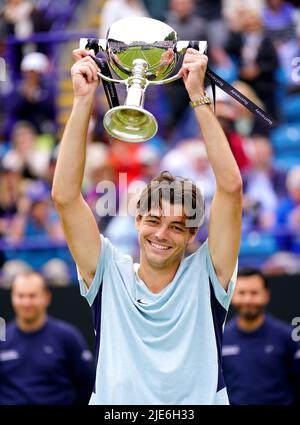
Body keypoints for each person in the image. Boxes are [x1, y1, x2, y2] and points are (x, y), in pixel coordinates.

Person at [51, 46, 243, 404]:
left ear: (191, 235)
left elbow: (231, 189)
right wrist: (82, 100)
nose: (161, 234)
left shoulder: (209, 274)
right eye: (154, 220)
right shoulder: (107, 271)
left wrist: (198, 96)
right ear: (137, 220)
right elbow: (64, 196)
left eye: (176, 226)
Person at [0, 272, 95, 405]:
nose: (26, 303)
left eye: (32, 296)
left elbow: (87, 384)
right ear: (12, 298)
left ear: (46, 297)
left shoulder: (67, 336)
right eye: (20, 296)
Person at [222, 268, 300, 405]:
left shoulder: (287, 336)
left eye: (254, 293)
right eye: (242, 293)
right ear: (232, 295)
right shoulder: (221, 339)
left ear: (266, 295)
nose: (248, 299)